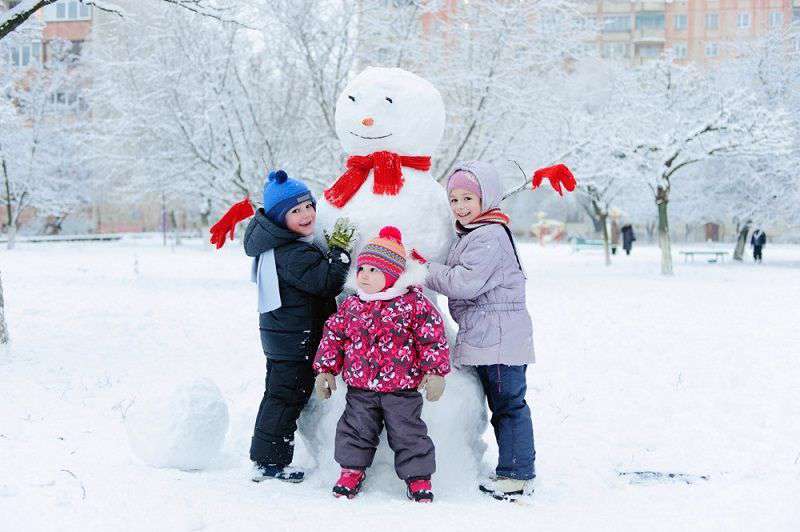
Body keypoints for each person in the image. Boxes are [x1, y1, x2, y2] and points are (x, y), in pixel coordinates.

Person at [414, 161, 536, 501]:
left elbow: (463, 282)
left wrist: (422, 269)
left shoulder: (489, 236)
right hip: (492, 335)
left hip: (498, 339)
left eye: (468, 198)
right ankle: (516, 469)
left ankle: (516, 474)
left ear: (488, 197)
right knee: (505, 404)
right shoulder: (479, 231)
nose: (460, 207)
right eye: (454, 200)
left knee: (508, 405)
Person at [313, 227, 450, 502]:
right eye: (361, 267)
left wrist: (435, 372)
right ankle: (351, 470)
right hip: (361, 387)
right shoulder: (352, 305)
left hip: (402, 388)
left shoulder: (412, 304)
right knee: (355, 430)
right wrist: (326, 370)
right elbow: (333, 336)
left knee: (408, 433)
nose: (364, 274)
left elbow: (431, 337)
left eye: (374, 270)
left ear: (393, 274)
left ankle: (419, 477)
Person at [243, 169, 355, 483]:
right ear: (280, 218)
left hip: (285, 337)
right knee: (285, 399)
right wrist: (340, 253)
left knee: (280, 396)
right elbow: (327, 283)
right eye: (296, 210)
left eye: (308, 206)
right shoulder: (291, 253)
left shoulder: (283, 245)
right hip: (295, 341)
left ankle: (266, 457)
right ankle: (269, 462)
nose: (306, 214)